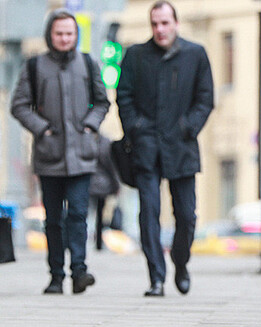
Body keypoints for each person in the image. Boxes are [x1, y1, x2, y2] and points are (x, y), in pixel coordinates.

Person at [116, 0, 214, 297]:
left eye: (165, 23)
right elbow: (124, 96)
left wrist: (188, 127)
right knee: (149, 213)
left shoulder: (195, 54)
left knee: (186, 215)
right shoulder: (135, 55)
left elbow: (205, 98)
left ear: (176, 23)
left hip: (182, 147)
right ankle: (156, 277)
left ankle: (180, 262)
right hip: (146, 148)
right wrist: (136, 128)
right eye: (155, 24)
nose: (160, 29)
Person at [10, 9, 109, 294]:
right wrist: (42, 129)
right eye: (59, 33)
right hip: (49, 156)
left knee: (77, 214)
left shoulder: (88, 65)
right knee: (53, 218)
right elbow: (19, 105)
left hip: (82, 156)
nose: (65, 38)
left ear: (76, 36)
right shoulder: (35, 67)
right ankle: (56, 275)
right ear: (50, 36)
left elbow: (102, 102)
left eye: (69, 33)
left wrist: (90, 126)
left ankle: (79, 270)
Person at [89, 134, 120, 250]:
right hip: (103, 184)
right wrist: (116, 185)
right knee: (99, 214)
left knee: (87, 213)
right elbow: (112, 167)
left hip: (88, 183)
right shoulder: (105, 142)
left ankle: (89, 241)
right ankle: (98, 243)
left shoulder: (84, 139)